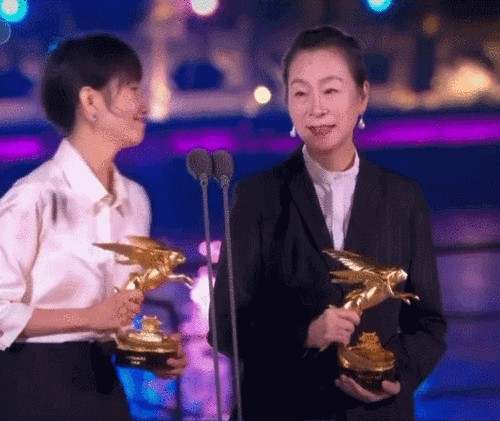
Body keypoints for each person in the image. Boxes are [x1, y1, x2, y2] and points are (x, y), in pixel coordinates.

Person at [210, 26, 446, 420]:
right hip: (282, 409)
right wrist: (307, 333)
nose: (316, 109)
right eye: (301, 93)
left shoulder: (403, 198)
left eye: (331, 90)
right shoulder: (257, 198)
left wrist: (397, 377)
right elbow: (224, 325)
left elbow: (429, 323)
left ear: (362, 97)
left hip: (378, 413)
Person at [0, 34, 187, 421]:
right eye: (132, 90)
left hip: (103, 387)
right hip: (32, 388)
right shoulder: (35, 197)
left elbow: (113, 317)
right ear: (90, 102)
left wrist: (151, 353)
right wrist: (90, 316)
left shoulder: (135, 198)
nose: (144, 105)